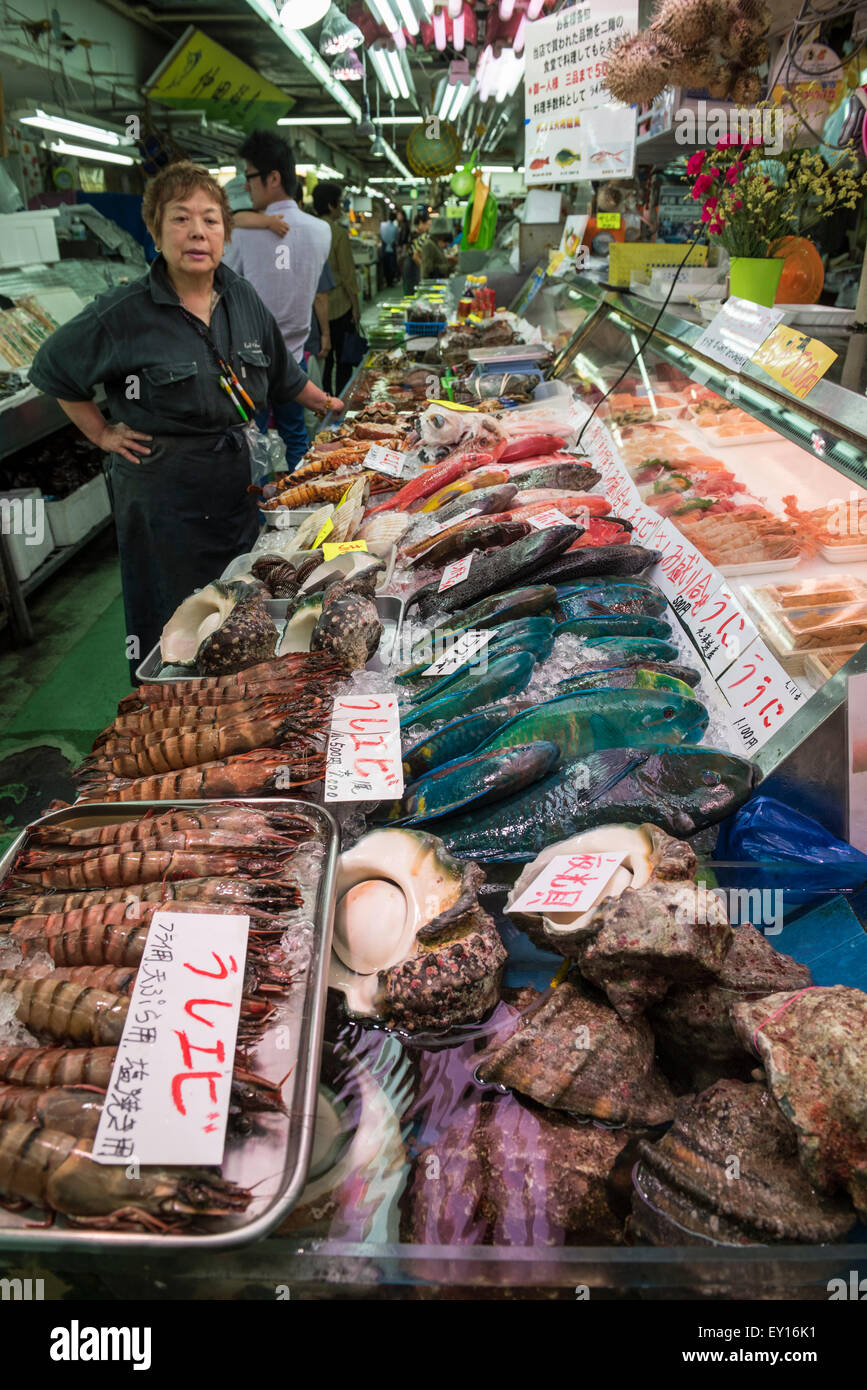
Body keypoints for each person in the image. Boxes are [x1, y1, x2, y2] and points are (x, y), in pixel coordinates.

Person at [28, 161, 343, 678]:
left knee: (242, 608)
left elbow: (284, 375)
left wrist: (329, 403)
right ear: (155, 231)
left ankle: (239, 701)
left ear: (225, 232)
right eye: (180, 219)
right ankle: (169, 709)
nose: (197, 231)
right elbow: (54, 369)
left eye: (210, 220)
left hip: (236, 492)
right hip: (163, 504)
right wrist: (103, 433)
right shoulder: (123, 313)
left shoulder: (241, 297)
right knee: (173, 621)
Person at [222, 130, 332, 469]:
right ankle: (304, 509)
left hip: (247, 364)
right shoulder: (321, 231)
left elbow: (222, 288)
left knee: (252, 445)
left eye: (250, 176)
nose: (245, 186)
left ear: (273, 178)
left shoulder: (239, 233)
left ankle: (260, 516)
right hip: (294, 361)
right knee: (296, 437)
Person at [312, 180, 361, 397]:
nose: (341, 207)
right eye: (339, 203)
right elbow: (349, 276)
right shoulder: (338, 234)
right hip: (340, 306)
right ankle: (342, 400)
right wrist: (356, 307)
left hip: (315, 309)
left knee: (323, 360)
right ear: (331, 206)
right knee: (344, 359)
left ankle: (324, 401)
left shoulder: (308, 231)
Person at [420, 215, 457, 280]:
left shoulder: (436, 244)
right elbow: (428, 269)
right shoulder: (429, 245)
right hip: (431, 282)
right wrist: (448, 267)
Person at [404, 207, 430, 294]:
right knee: (413, 291)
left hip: (411, 264)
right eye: (427, 225)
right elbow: (415, 256)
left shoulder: (416, 234)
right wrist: (424, 269)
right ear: (420, 223)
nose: (428, 227)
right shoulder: (416, 236)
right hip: (413, 265)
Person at [380, 211, 399, 288]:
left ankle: (387, 282)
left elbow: (381, 236)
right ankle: (390, 282)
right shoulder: (395, 228)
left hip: (384, 248)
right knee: (392, 265)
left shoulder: (382, 225)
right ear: (395, 219)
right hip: (391, 247)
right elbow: (396, 239)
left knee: (385, 265)